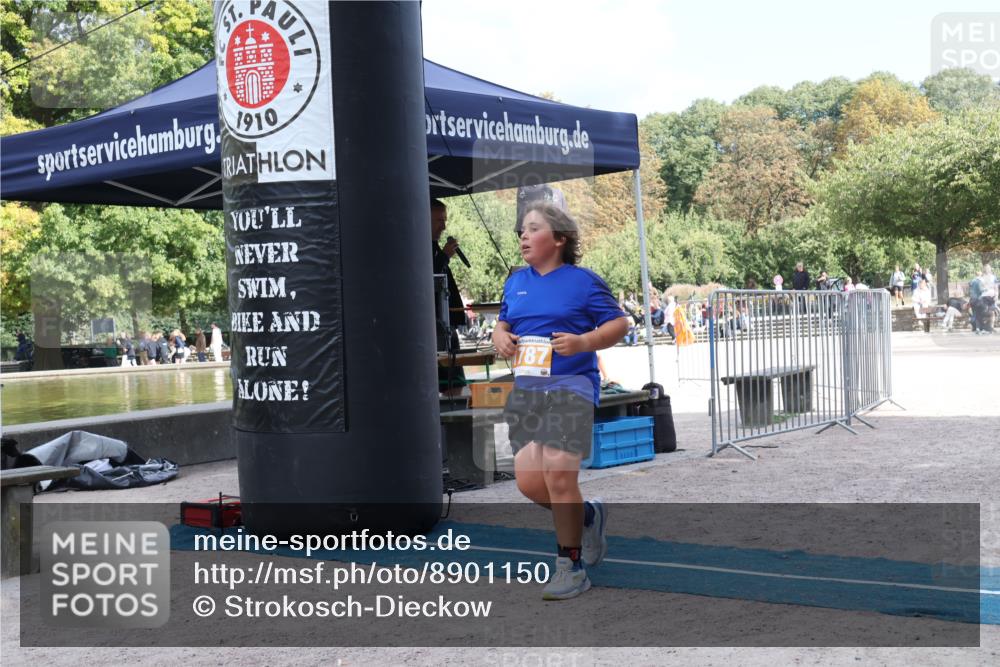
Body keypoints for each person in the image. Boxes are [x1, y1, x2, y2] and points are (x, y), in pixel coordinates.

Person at [492, 201, 629, 600]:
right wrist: (499, 335)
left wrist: (584, 342)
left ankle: (570, 567)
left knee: (559, 474)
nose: (523, 235)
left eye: (533, 229)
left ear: (559, 239)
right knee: (530, 483)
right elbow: (504, 321)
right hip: (528, 391)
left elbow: (619, 323)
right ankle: (588, 516)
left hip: (571, 385)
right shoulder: (516, 281)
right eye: (522, 230)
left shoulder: (583, 281)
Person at [431, 199, 467, 393]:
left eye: (444, 220)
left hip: (446, 324)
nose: (444, 226)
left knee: (456, 381)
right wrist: (444, 256)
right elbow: (427, 280)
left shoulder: (435, 248)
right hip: (435, 327)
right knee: (448, 381)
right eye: (439, 220)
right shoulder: (418, 249)